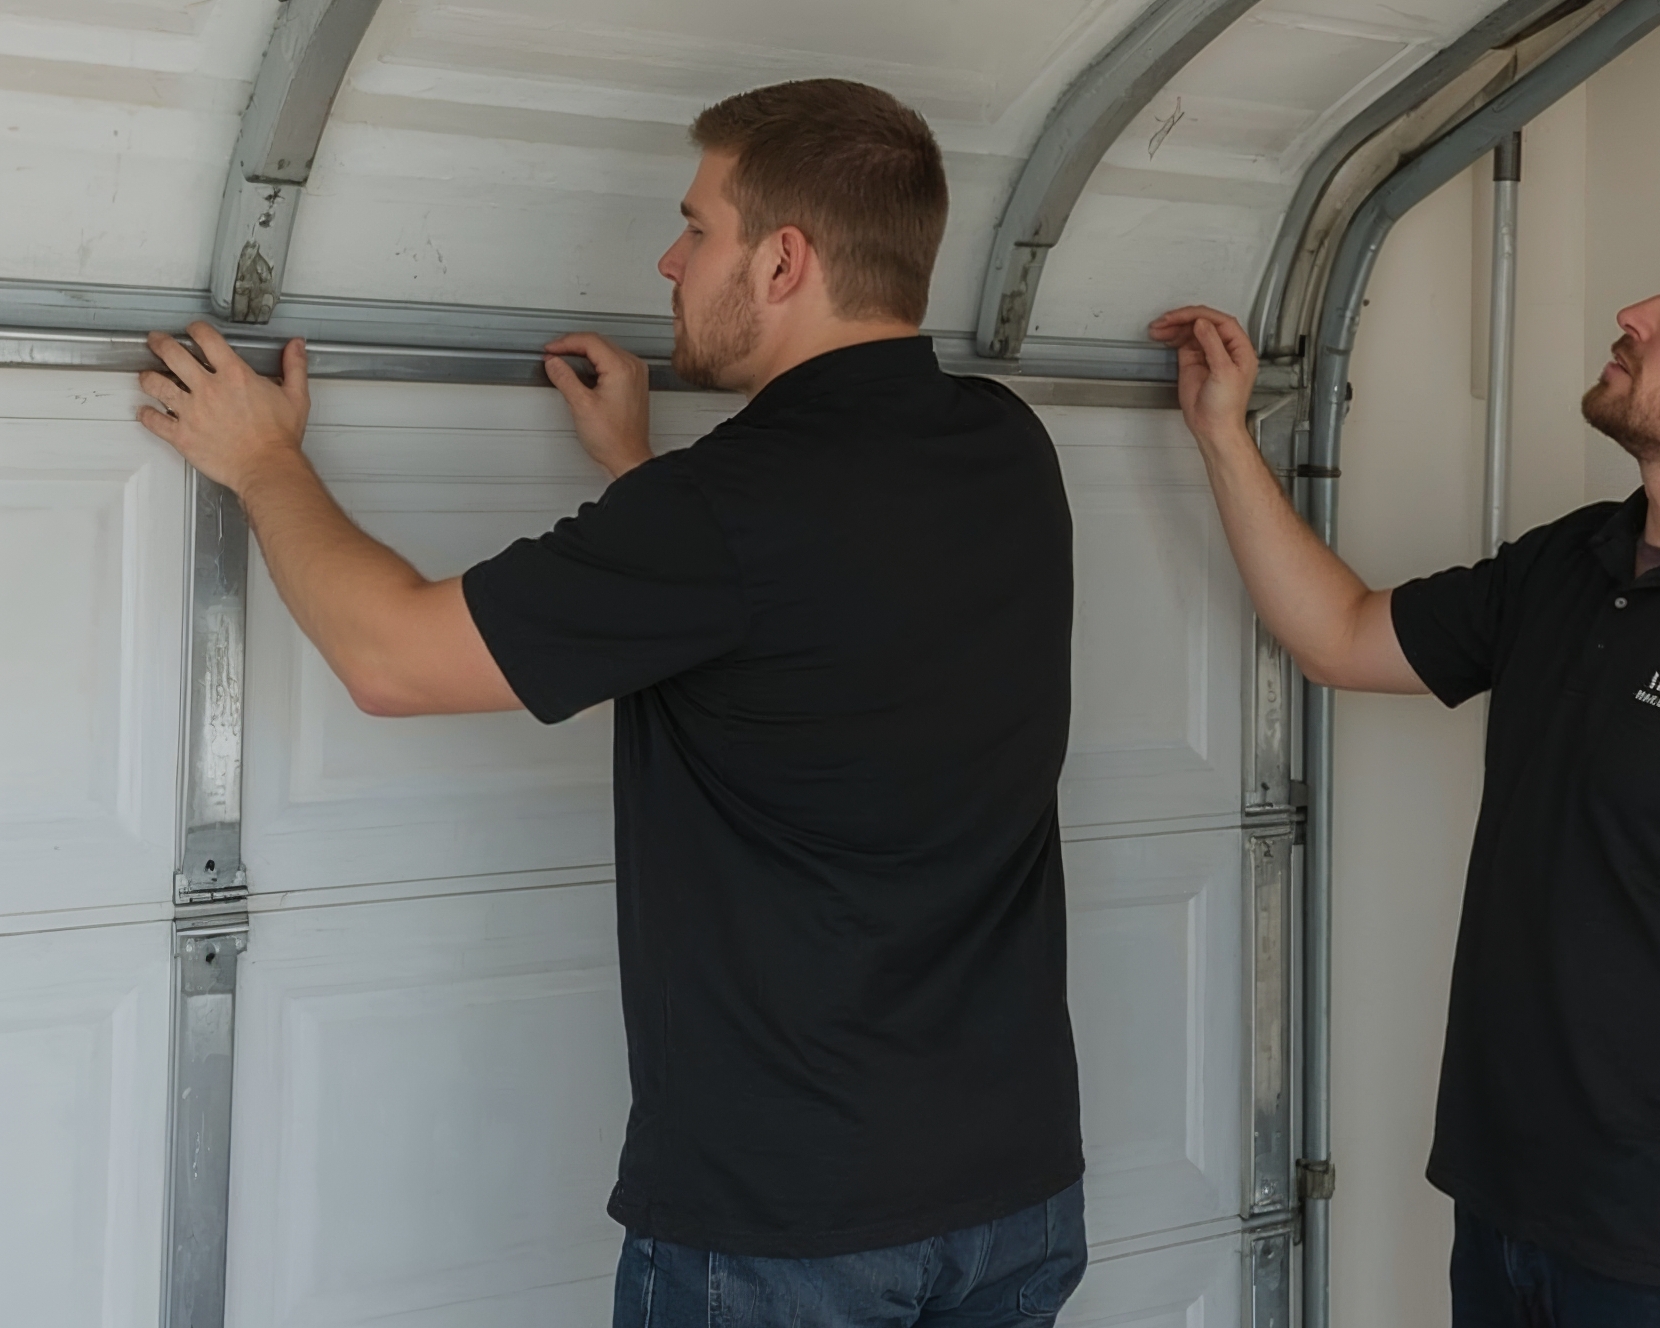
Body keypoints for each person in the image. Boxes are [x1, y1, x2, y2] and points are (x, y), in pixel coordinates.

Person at [137, 80, 1088, 1328]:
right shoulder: (1005, 444)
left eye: (697, 228)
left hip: (793, 1230)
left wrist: (264, 461)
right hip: (1013, 1196)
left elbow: (392, 658)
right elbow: (819, 620)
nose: (669, 262)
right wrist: (641, 474)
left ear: (783, 260)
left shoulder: (725, 512)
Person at [1150, 207, 1660, 1328]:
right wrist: (1223, 434)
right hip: (1507, 1219)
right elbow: (1340, 636)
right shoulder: (1573, 562)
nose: (1634, 315)